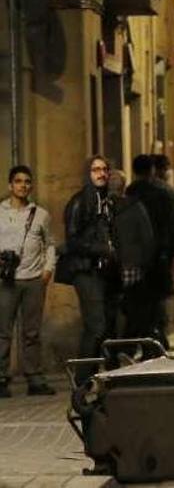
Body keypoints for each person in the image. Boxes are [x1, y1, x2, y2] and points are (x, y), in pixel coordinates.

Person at [0, 166, 56, 397]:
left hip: (34, 279)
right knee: (3, 331)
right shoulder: (0, 212)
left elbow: (50, 243)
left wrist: (47, 269)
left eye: (27, 182)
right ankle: (1, 379)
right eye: (18, 181)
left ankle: (35, 378)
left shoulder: (41, 214)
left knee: (32, 332)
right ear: (10, 185)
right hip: (6, 280)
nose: (23, 185)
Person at [64, 156, 117, 384]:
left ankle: (96, 375)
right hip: (85, 271)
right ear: (88, 173)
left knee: (105, 326)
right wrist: (100, 249)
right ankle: (83, 379)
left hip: (104, 272)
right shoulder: (78, 202)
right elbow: (72, 241)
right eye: (96, 169)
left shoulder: (108, 201)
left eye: (105, 169)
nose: (101, 173)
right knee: (96, 325)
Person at [126, 154, 174, 347]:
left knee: (139, 300)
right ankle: (157, 339)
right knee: (157, 299)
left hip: (136, 255)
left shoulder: (130, 192)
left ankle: (144, 340)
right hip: (161, 254)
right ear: (152, 170)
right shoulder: (167, 192)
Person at [106, 170, 155, 340]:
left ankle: (112, 348)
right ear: (124, 186)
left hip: (108, 266)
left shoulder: (102, 208)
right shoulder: (135, 207)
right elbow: (147, 237)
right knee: (133, 308)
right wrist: (146, 262)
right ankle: (128, 343)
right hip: (132, 265)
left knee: (111, 310)